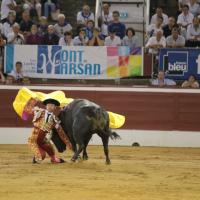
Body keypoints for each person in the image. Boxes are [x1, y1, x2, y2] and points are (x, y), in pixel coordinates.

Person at [28, 98, 72, 164]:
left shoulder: (55, 119)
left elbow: (61, 133)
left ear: (54, 107)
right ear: (46, 106)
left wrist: (69, 144)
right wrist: (32, 102)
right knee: (41, 157)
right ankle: (38, 156)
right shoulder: (39, 112)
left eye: (52, 105)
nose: (50, 106)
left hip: (43, 140)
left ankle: (54, 159)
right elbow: (28, 110)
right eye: (48, 105)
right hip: (34, 139)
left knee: (51, 151)